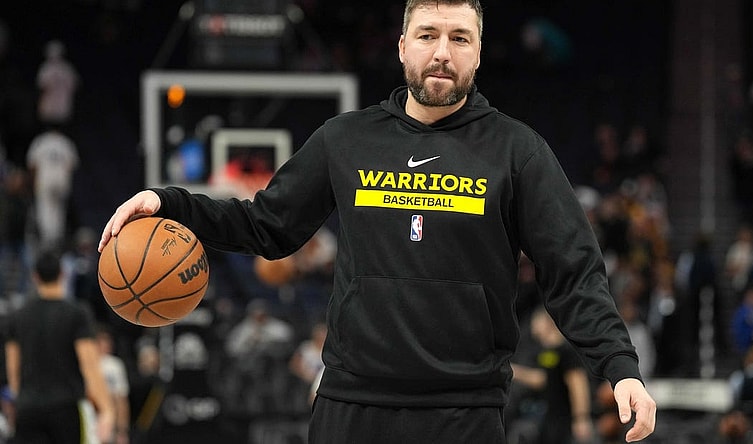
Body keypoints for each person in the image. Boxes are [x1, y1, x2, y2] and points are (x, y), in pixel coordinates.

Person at [99, 1, 656, 442]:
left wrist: (620, 365)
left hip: (463, 414)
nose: (442, 52)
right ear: (402, 47)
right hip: (350, 409)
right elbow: (267, 225)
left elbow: (573, 271)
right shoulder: (347, 139)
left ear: (479, 53)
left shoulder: (518, 151)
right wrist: (170, 203)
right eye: (428, 35)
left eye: (459, 38)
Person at [4, 250, 114, 443]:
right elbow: (90, 365)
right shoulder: (77, 313)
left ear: (35, 277)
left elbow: (13, 370)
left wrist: (20, 401)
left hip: (28, 408)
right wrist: (106, 409)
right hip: (66, 408)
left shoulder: (17, 316)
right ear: (62, 274)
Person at [510, 308, 594, 444]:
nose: (533, 325)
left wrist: (581, 418)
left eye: (536, 321)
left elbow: (577, 384)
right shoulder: (546, 351)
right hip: (550, 415)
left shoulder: (566, 350)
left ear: (547, 322)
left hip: (565, 417)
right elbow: (542, 379)